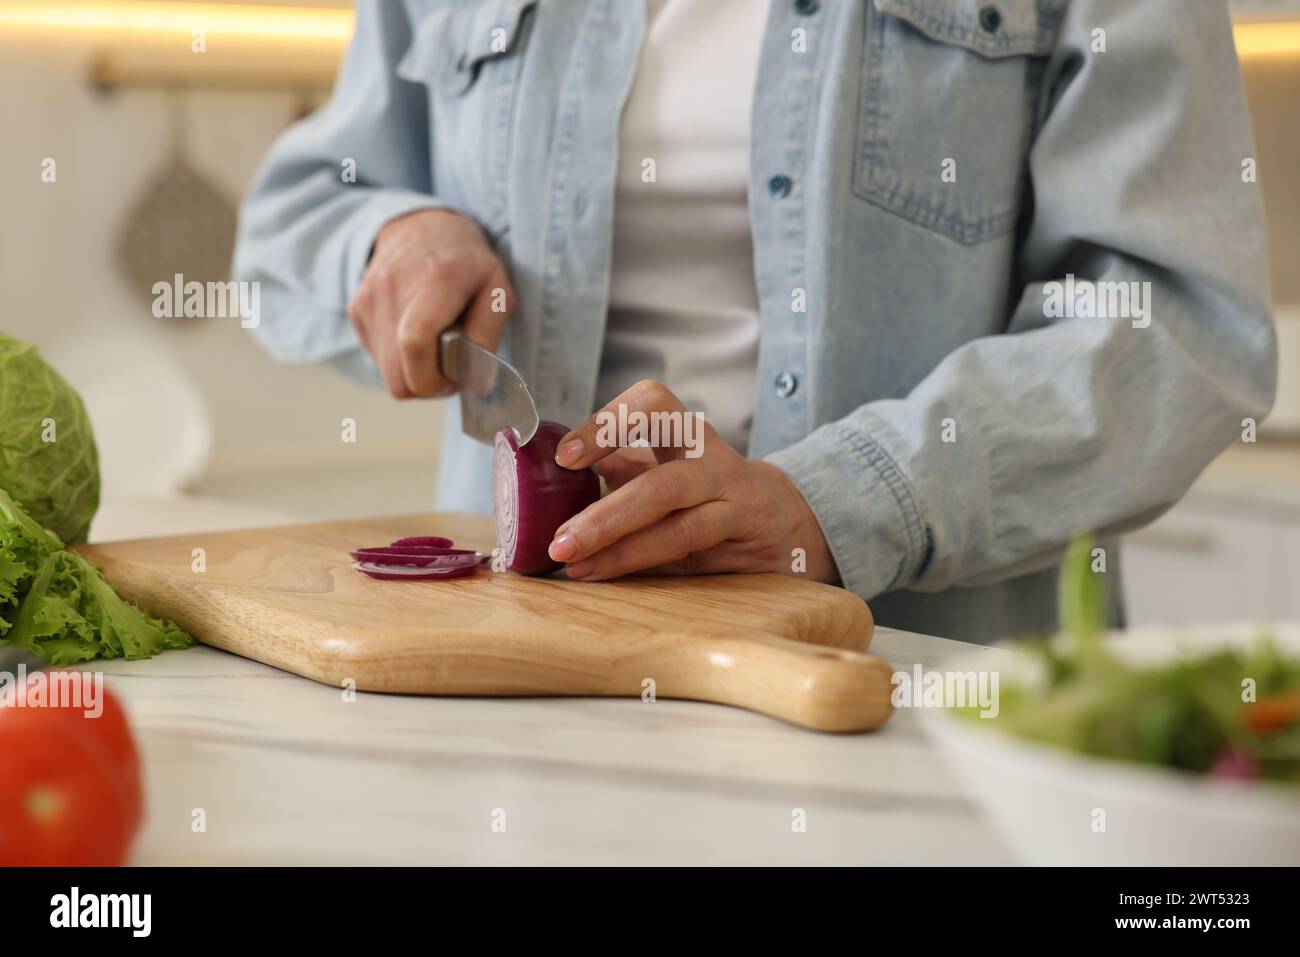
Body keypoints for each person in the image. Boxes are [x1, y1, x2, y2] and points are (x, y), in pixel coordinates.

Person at [234, 0, 1275, 643]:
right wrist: (392, 237)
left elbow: (1177, 326)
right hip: (521, 678)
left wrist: (828, 505)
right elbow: (295, 221)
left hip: (914, 697)